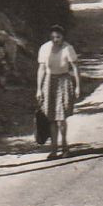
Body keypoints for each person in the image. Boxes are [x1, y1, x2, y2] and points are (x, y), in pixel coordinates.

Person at [36, 25, 80, 159]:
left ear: (63, 37)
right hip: (49, 83)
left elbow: (75, 68)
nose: (56, 40)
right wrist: (38, 89)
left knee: (61, 118)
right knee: (51, 118)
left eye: (58, 37)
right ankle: (54, 149)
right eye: (53, 37)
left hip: (64, 81)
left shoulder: (68, 48)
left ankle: (65, 147)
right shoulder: (44, 48)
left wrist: (78, 86)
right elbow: (41, 69)